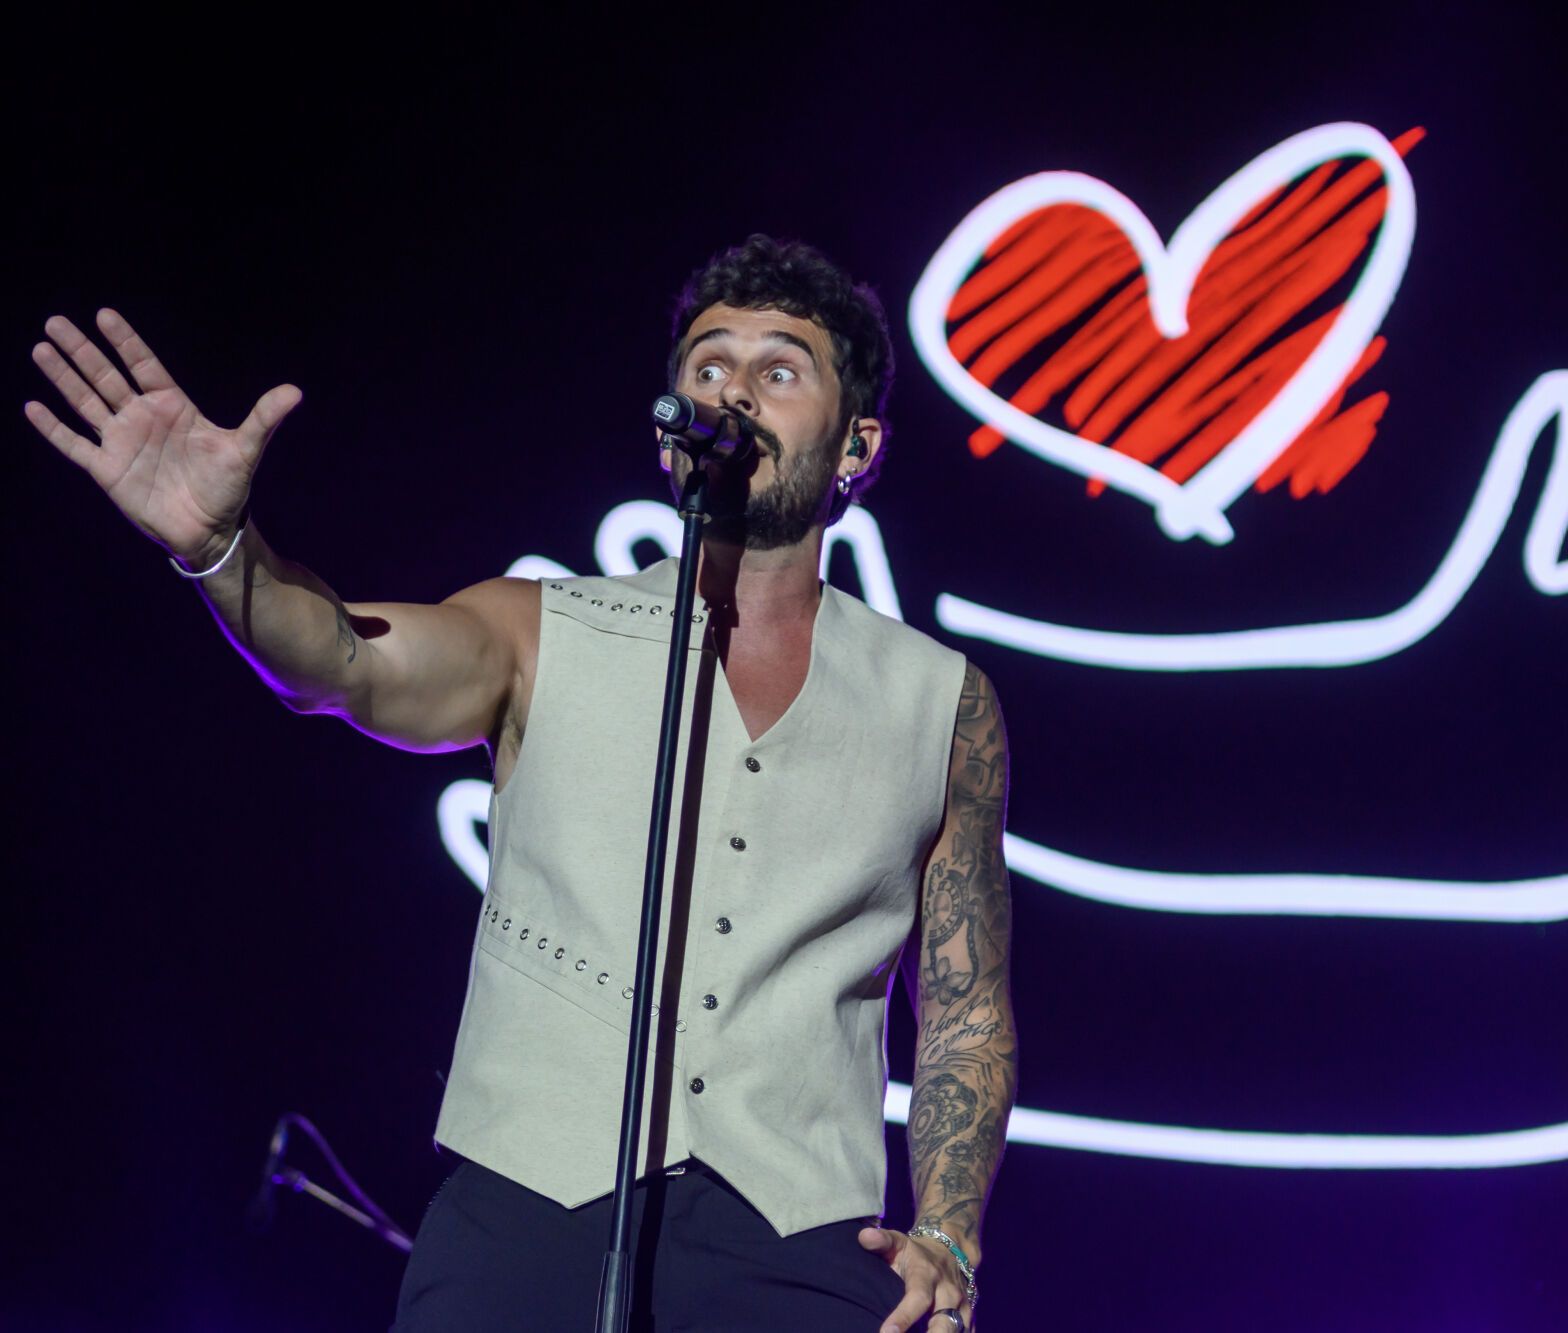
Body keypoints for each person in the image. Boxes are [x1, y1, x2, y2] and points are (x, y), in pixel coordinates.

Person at [25, 235, 1017, 1333]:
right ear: (667, 426)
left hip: (796, 1237)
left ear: (855, 444)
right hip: (527, 1216)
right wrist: (222, 550)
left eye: (778, 369)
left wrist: (948, 1231)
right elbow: (342, 665)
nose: (730, 386)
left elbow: (963, 1005)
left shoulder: (940, 702)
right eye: (705, 365)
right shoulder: (542, 627)